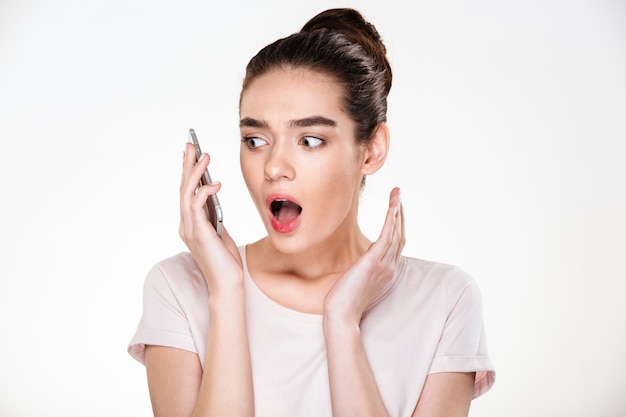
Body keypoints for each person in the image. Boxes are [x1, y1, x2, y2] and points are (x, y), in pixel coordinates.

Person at [128, 8, 495, 417]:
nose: (273, 167)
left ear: (371, 150)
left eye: (310, 140)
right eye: (254, 140)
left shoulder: (445, 300)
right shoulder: (179, 287)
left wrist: (342, 322)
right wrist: (228, 293)